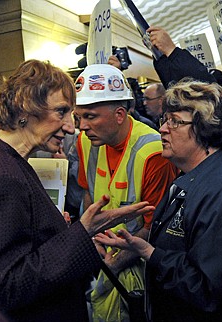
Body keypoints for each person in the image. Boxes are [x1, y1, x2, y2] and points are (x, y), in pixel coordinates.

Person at [0, 59, 153, 321]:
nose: (72, 127)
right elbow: (5, 286)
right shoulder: (4, 175)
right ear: (27, 106)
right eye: (61, 112)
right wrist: (82, 233)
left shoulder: (5, 160)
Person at [94, 79, 222, 322]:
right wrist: (143, 248)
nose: (163, 129)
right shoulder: (197, 173)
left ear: (205, 128)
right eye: (165, 120)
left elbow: (209, 291)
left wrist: (151, 253)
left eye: (175, 121)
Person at [74, 63, 178, 321]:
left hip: (137, 273)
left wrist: (113, 264)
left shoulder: (154, 152)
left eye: (91, 116)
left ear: (120, 114)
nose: (82, 126)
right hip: (98, 260)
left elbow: (154, 228)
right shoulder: (84, 141)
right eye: (79, 117)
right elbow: (88, 195)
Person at [147, 26, 222, 161]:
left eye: (175, 121)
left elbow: (203, 86)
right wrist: (162, 58)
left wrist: (172, 51)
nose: (163, 129)